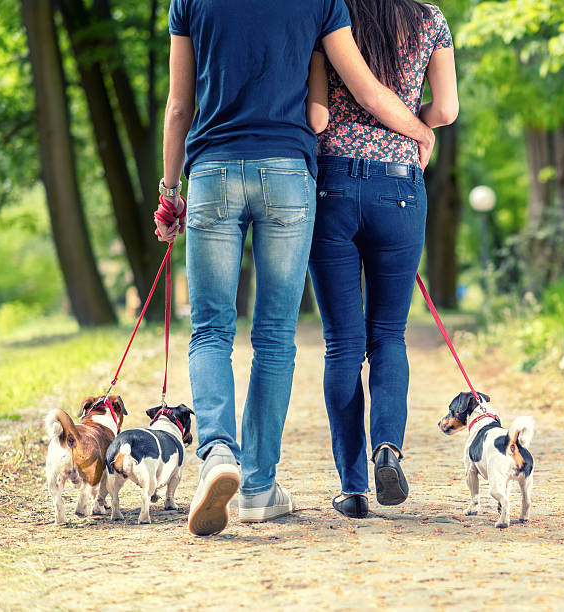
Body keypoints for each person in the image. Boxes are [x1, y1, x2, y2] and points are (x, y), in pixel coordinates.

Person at [156, 0, 437, 536]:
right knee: (276, 336)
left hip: (212, 169)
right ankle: (259, 487)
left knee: (211, 329)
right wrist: (418, 131)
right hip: (288, 173)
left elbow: (177, 105)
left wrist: (171, 193)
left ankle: (217, 454)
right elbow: (364, 90)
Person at [307, 0, 458, 518]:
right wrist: (419, 124)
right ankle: (387, 449)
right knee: (388, 334)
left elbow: (319, 113)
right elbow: (447, 110)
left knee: (341, 343)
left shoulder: (330, 13)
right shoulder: (429, 19)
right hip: (398, 185)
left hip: (332, 186)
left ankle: (352, 488)